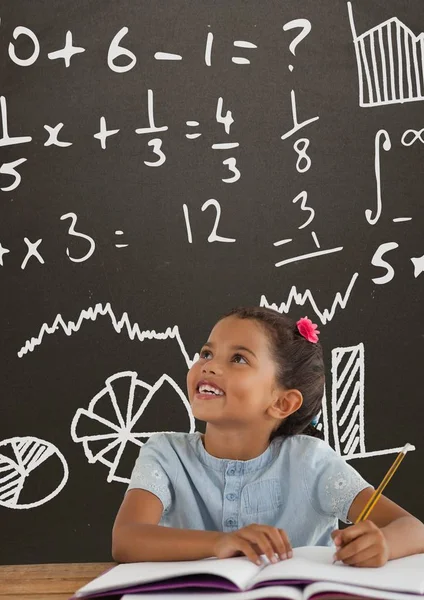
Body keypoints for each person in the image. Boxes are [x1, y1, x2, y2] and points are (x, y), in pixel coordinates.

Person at [112, 307, 424, 567]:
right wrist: (221, 542)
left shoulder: (312, 462)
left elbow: (415, 530)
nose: (208, 366)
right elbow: (126, 540)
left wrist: (382, 544)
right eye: (207, 352)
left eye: (238, 359)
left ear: (282, 403)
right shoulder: (165, 454)